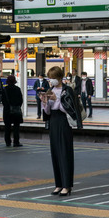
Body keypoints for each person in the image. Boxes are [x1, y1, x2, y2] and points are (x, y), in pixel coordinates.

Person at [41, 66, 83, 197]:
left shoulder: (67, 90)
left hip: (64, 123)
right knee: (55, 153)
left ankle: (67, 185)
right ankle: (58, 184)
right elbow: (47, 112)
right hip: (53, 122)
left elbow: (70, 110)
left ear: (59, 78)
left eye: (52, 78)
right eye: (49, 78)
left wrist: (56, 100)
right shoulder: (50, 90)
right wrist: (45, 103)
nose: (50, 80)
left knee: (65, 153)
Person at [2, 74, 23, 147]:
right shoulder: (17, 89)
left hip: (7, 111)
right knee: (16, 127)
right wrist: (17, 106)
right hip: (16, 110)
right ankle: (16, 142)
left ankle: (8, 142)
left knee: (7, 127)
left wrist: (8, 107)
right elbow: (21, 100)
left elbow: (3, 101)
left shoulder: (5, 90)